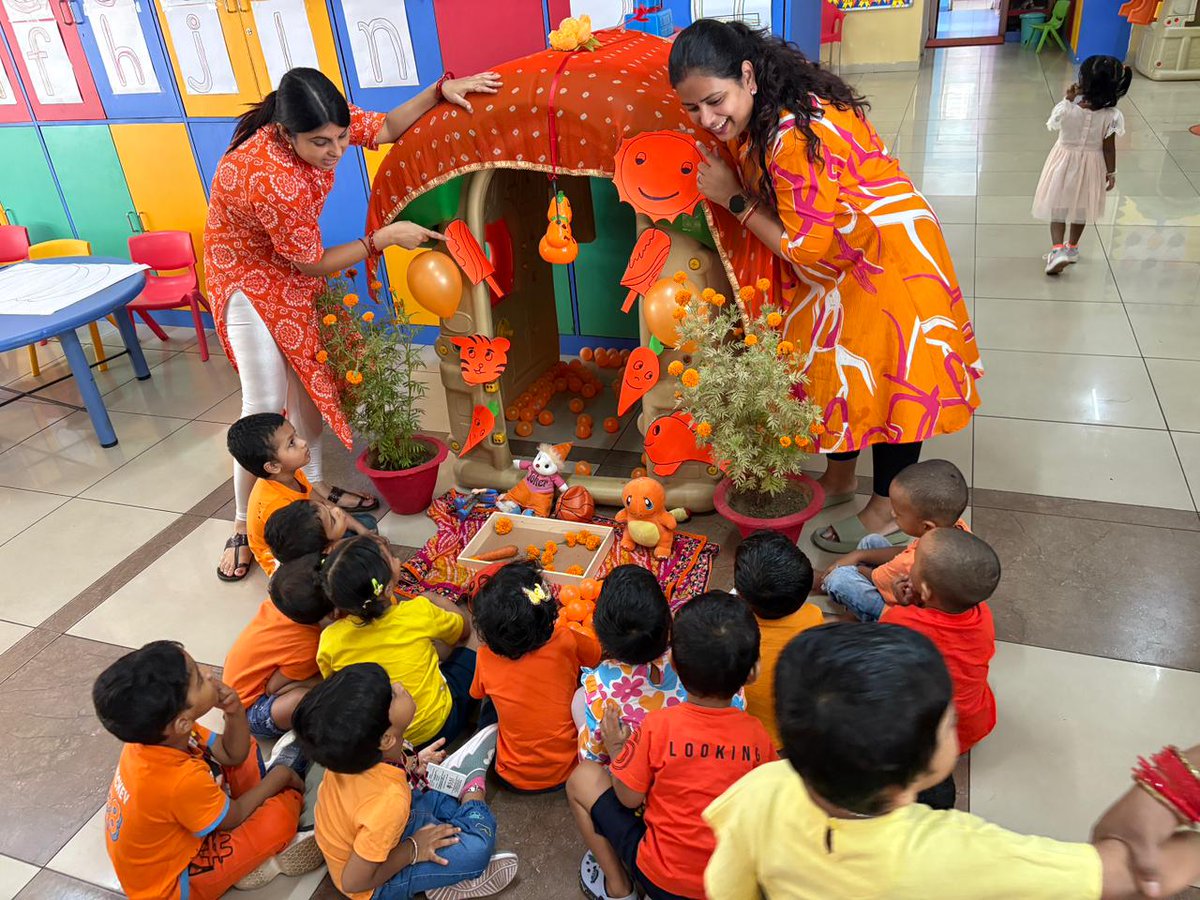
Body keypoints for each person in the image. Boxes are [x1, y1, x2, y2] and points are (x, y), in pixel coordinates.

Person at [667, 20, 981, 554]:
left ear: (747, 74)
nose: (708, 119)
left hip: (884, 260)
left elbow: (808, 255)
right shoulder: (781, 98)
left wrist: (732, 200)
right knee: (839, 369)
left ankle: (884, 503)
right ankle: (840, 478)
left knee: (890, 375)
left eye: (715, 101)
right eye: (693, 109)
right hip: (861, 246)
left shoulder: (791, 138)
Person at [207, 65, 501, 581]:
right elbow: (310, 261)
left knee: (314, 387)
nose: (335, 151)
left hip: (290, 268)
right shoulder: (272, 179)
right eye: (320, 143)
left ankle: (314, 489)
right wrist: (382, 239)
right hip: (248, 277)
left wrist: (438, 92)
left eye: (341, 137)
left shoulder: (321, 129)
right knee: (263, 404)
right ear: (285, 131)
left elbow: (384, 127)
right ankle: (239, 522)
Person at [701, 623, 1200, 899]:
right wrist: (1171, 785)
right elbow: (1131, 874)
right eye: (947, 722)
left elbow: (726, 889)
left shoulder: (761, 786)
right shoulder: (956, 852)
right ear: (913, 775)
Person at [567, 591, 776, 900]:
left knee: (581, 778)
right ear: (753, 672)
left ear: (674, 665)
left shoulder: (658, 727)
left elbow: (627, 798)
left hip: (663, 881)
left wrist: (618, 751)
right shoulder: (758, 736)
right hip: (733, 886)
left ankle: (618, 887)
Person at [93, 641, 314, 899]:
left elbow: (231, 754)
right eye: (199, 680)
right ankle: (258, 861)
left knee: (243, 746)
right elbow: (235, 815)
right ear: (182, 722)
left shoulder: (162, 735)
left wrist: (234, 712)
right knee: (279, 816)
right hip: (175, 883)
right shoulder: (176, 779)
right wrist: (280, 777)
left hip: (188, 825)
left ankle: (248, 851)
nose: (208, 674)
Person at [293, 663, 518, 900]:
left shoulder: (354, 755)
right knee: (477, 850)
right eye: (392, 693)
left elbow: (379, 787)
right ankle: (473, 787)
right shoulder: (389, 800)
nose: (399, 686)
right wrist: (414, 848)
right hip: (375, 883)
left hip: (381, 829)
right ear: (386, 739)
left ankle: (443, 874)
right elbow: (353, 881)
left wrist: (415, 762)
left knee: (443, 800)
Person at [318, 535, 476, 748]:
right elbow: (463, 629)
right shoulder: (417, 611)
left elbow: (336, 685)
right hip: (439, 727)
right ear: (388, 589)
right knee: (476, 634)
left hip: (386, 742)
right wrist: (435, 598)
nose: (398, 560)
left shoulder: (329, 639)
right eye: (392, 557)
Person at [882, 528, 1000, 806]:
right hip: (975, 721)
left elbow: (885, 656)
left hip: (936, 738)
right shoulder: (982, 613)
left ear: (924, 590)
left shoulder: (901, 621)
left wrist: (902, 605)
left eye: (915, 563)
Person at [470, 560, 601, 792]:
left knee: (491, 701)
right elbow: (595, 656)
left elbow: (476, 693)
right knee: (586, 683)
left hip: (512, 776)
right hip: (568, 771)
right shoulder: (565, 637)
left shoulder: (484, 657)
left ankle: (478, 752)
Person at [579, 564, 723, 767]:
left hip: (633, 779)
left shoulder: (600, 685)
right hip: (689, 764)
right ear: (669, 619)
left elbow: (592, 755)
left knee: (578, 701)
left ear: (600, 636)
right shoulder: (695, 659)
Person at [819, 459, 969, 623]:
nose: (892, 514)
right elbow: (907, 550)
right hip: (912, 587)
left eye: (898, 512)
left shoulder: (912, 561)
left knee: (838, 579)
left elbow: (877, 576)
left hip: (905, 612)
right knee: (871, 542)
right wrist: (858, 554)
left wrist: (855, 566)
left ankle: (866, 618)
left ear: (926, 526)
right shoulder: (955, 528)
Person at [226, 412, 373, 577]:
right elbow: (305, 554)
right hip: (290, 559)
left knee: (367, 525)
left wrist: (363, 532)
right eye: (291, 443)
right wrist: (356, 541)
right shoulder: (276, 507)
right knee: (350, 564)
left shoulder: (291, 474)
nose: (303, 442)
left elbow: (324, 503)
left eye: (295, 435)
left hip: (307, 529)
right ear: (273, 466)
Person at [1034, 56, 1131, 275]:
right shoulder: (1112, 116)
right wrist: (1111, 172)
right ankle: (1073, 248)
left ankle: (1057, 249)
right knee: (1081, 208)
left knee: (1058, 206)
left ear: (1083, 81)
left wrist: (1068, 100)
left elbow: (1053, 123)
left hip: (1063, 162)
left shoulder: (1067, 109)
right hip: (1093, 165)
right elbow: (1109, 148)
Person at [223, 553, 330, 740]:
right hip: (248, 713)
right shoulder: (308, 645)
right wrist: (325, 679)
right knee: (308, 697)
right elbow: (274, 688)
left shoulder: (278, 603)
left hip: (235, 691)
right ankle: (295, 745)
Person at [733, 531, 822, 749]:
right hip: (796, 731)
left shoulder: (732, 630)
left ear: (741, 596)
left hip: (750, 735)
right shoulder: (813, 616)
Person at [265, 497, 354, 564]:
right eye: (333, 520)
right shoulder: (345, 566)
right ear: (327, 550)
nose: (336, 509)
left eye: (324, 504)